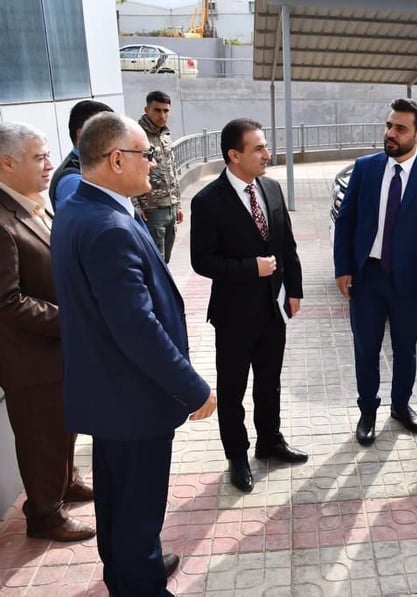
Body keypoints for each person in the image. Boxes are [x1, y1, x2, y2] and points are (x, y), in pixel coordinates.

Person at [51, 113, 217, 595]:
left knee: (119, 500)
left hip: (110, 393)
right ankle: (140, 582)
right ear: (117, 159)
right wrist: (193, 388)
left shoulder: (80, 207)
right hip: (132, 398)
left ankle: (127, 572)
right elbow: (137, 328)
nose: (155, 162)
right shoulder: (109, 226)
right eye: (146, 154)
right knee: (138, 507)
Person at [191, 118, 306, 494]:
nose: (267, 154)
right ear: (234, 155)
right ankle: (237, 456)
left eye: (265, 146)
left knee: (269, 383)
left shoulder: (271, 188)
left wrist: (294, 290)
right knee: (233, 389)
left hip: (273, 309)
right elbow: (201, 261)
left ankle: (269, 441)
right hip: (234, 315)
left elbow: (287, 245)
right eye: (258, 148)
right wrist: (249, 268)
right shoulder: (207, 201)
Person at [333, 98, 417, 446]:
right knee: (366, 350)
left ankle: (401, 407)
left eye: (400, 128)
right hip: (367, 278)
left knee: (405, 350)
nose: (390, 133)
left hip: (409, 283)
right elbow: (346, 221)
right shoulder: (366, 168)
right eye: (389, 125)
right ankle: (367, 412)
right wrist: (343, 267)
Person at [0, 122, 95, 542]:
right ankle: (44, 514)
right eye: (39, 157)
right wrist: (72, 319)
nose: (49, 164)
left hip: (57, 350)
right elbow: (7, 302)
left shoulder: (33, 203)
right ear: (7, 163)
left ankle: (65, 482)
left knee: (63, 426)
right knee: (41, 437)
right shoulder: (2, 221)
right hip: (30, 359)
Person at [132, 90, 182, 263]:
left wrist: (177, 204)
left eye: (166, 111)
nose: (162, 115)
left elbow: (172, 170)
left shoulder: (165, 135)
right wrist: (136, 206)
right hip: (150, 209)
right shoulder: (137, 136)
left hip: (170, 207)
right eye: (157, 110)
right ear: (147, 109)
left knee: (166, 259)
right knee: (155, 260)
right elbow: (130, 171)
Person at [49, 99, 114, 210]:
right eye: (107, 129)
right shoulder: (73, 180)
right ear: (82, 133)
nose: (115, 135)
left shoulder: (91, 167)